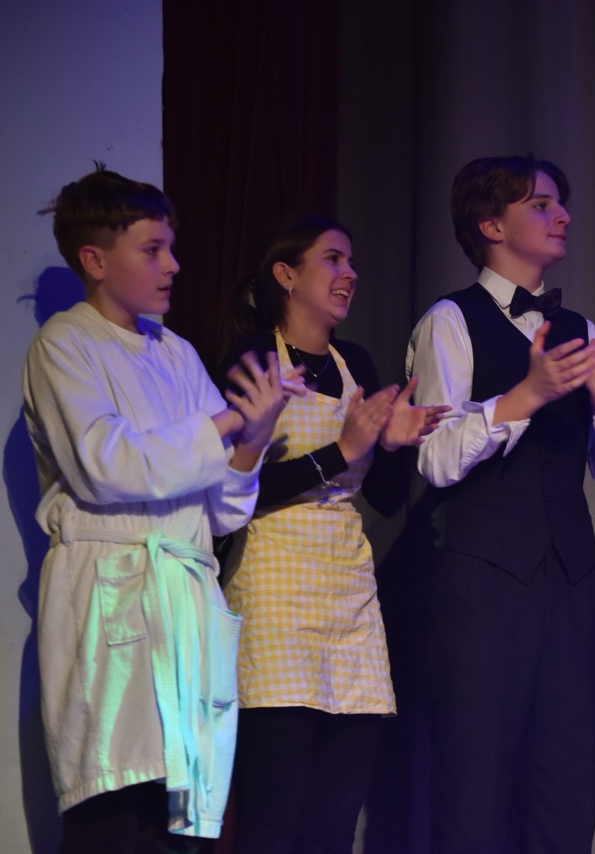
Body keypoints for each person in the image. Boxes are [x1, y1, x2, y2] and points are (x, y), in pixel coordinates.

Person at [21, 165, 291, 851]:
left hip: (184, 604)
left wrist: (251, 439)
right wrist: (227, 423)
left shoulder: (179, 354)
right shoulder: (65, 345)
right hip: (112, 599)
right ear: (95, 260)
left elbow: (222, 512)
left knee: (184, 819)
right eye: (152, 249)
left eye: (171, 247)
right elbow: (107, 465)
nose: (173, 265)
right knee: (116, 813)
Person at [405, 154, 595, 852]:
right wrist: (526, 395)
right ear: (491, 225)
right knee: (476, 783)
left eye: (559, 204)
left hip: (570, 582)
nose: (563, 216)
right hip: (482, 583)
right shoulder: (450, 321)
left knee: (566, 785)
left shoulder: (581, 330)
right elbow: (435, 456)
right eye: (541, 205)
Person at [217, 214, 447, 853]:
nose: (350, 274)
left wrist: (392, 445)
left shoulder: (357, 363)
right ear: (286, 275)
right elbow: (235, 490)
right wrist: (342, 451)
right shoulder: (253, 359)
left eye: (351, 262)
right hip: (275, 589)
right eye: (333, 259)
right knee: (274, 818)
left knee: (334, 819)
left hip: (347, 592)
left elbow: (385, 499)